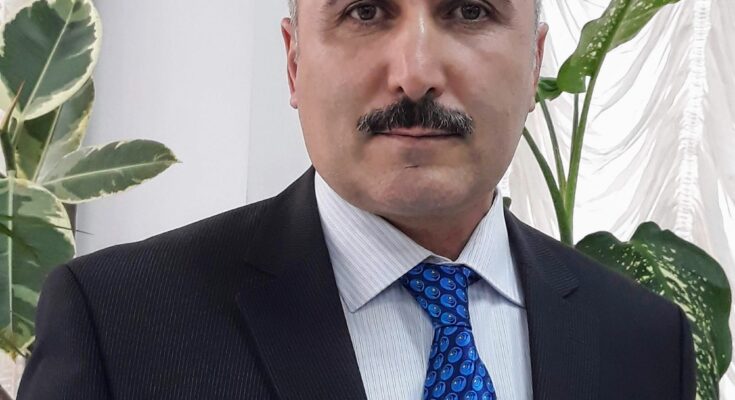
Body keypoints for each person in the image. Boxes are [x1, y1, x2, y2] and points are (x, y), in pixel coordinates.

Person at [19, 0, 696, 399]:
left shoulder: (643, 343)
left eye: (469, 11)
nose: (415, 74)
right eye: (364, 12)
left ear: (535, 63)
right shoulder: (120, 325)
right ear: (293, 63)